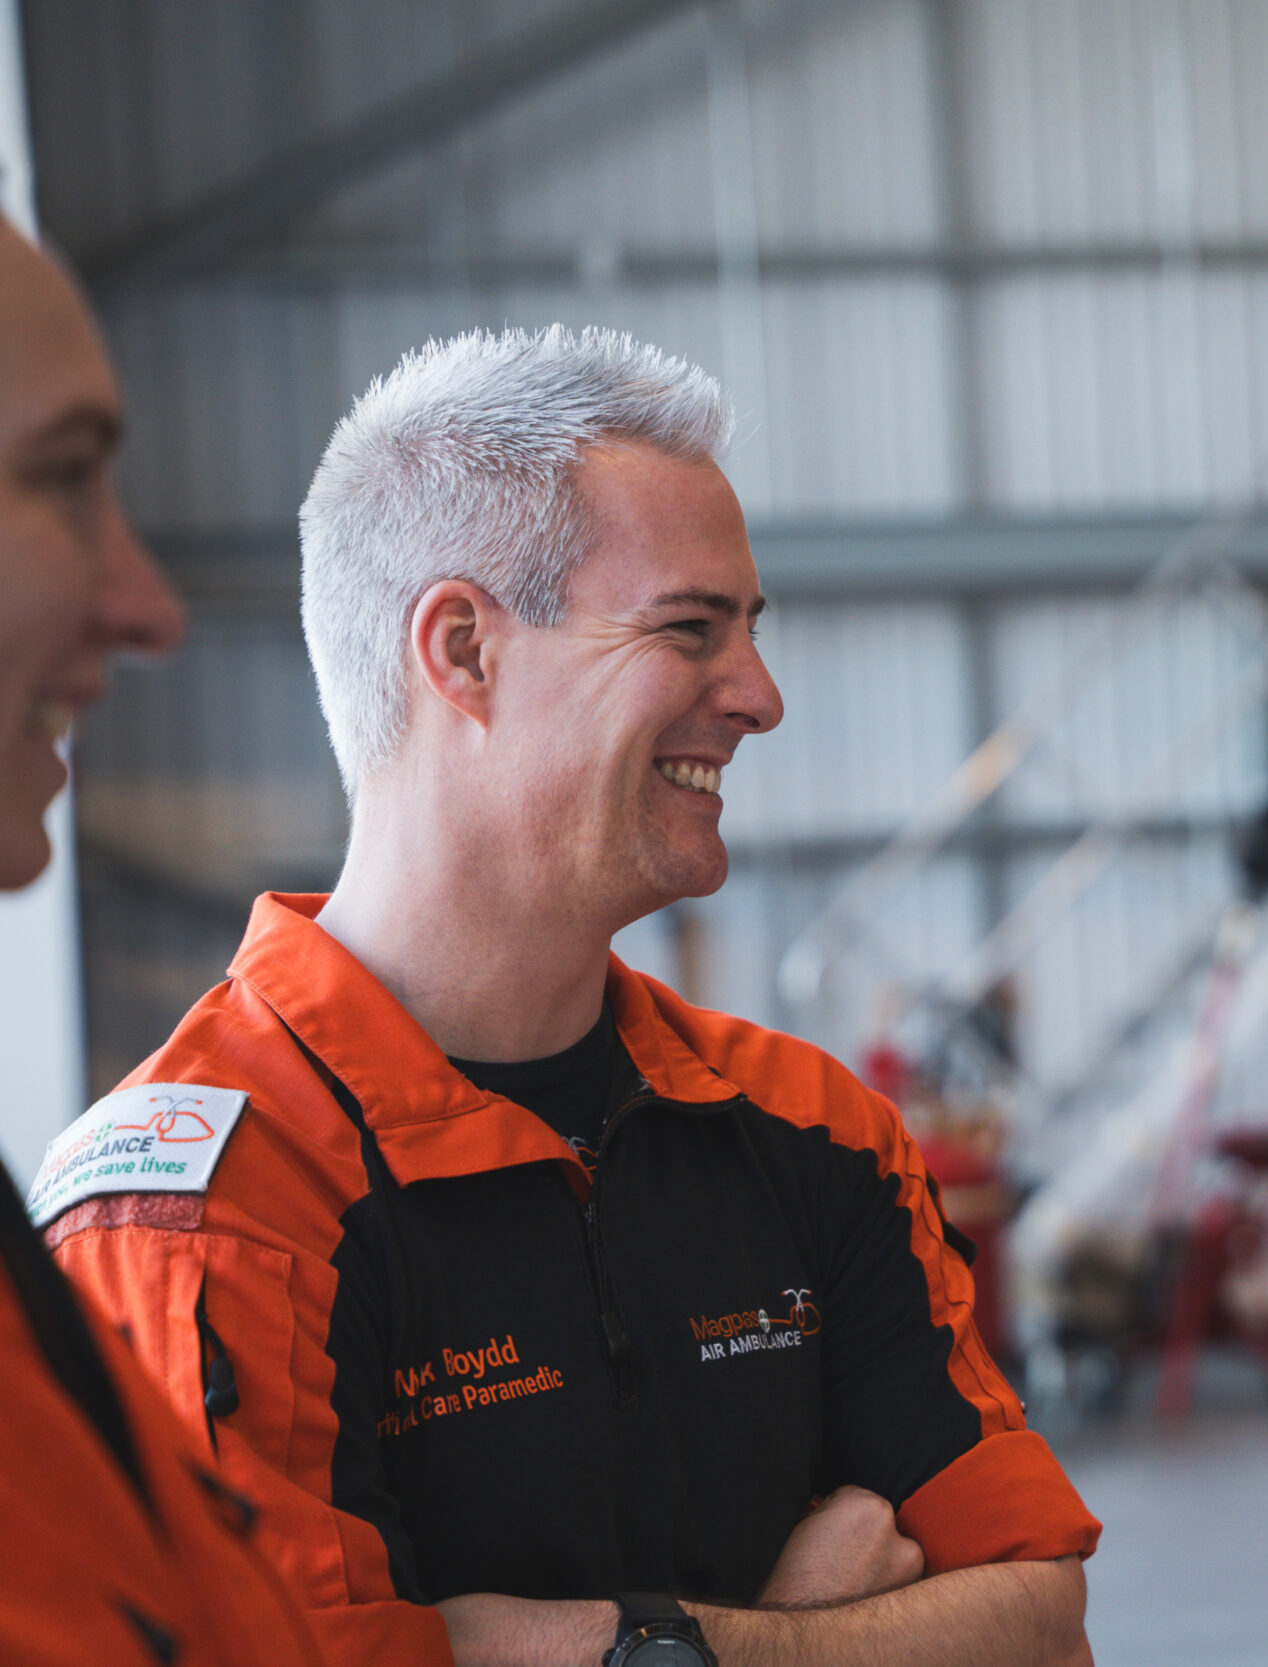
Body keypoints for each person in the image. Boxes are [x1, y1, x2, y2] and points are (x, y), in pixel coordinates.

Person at [48, 325, 1099, 1667]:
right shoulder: (206, 1213)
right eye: (688, 630)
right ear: (465, 651)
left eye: (750, 634)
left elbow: (1040, 1624)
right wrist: (795, 1624)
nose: (762, 698)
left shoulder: (815, 1132)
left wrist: (589, 1644)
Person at [0, 222, 330, 1665]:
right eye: (61, 474)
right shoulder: (195, 1179)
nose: (148, 605)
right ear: (461, 654)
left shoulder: (804, 1116)